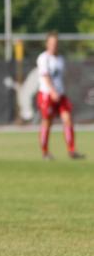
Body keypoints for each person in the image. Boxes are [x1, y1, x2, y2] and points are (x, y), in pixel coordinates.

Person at [36, 32, 84, 160]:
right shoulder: (43, 58)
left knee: (68, 119)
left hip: (60, 95)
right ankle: (45, 152)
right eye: (51, 43)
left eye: (56, 44)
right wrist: (52, 91)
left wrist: (62, 91)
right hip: (47, 94)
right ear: (47, 44)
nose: (53, 46)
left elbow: (62, 78)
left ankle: (72, 150)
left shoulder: (60, 59)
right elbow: (45, 76)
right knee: (47, 122)